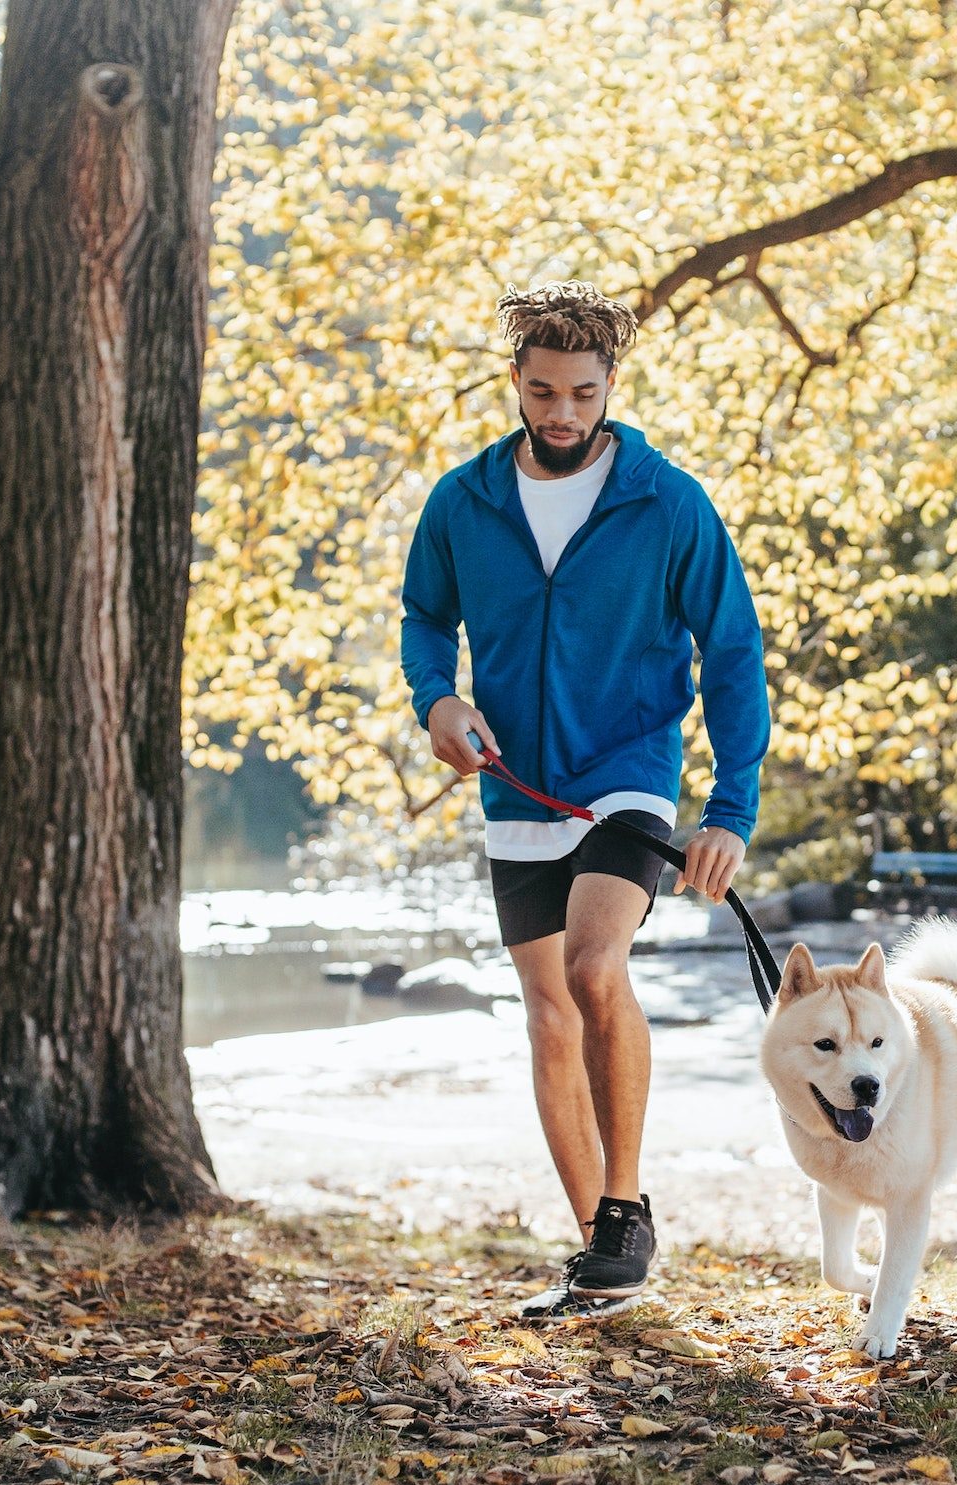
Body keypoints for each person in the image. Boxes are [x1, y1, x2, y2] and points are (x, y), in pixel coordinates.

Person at [399, 280, 770, 1321]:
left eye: (582, 392)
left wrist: (730, 809)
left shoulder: (667, 501)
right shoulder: (463, 500)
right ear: (515, 383)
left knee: (593, 964)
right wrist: (438, 699)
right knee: (549, 1016)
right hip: (516, 781)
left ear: (613, 387)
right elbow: (425, 616)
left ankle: (624, 1206)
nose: (562, 412)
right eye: (543, 391)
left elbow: (733, 651)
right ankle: (600, 1263)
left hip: (628, 772)